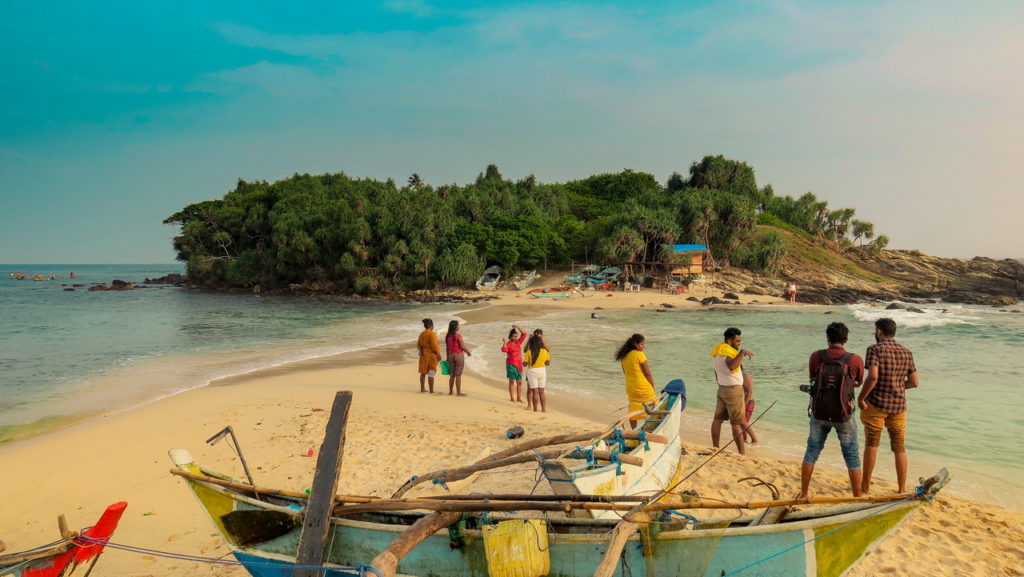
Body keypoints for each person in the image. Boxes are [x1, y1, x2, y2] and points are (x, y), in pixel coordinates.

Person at [798, 322, 865, 499]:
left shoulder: (816, 356)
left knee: (812, 452)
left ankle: (804, 493)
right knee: (851, 455)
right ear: (846, 339)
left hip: (819, 412)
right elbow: (858, 382)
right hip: (843, 415)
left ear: (827, 338)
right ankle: (857, 496)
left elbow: (812, 378)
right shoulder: (855, 359)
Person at [858, 318, 918, 494]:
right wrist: (897, 386)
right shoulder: (907, 352)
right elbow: (914, 382)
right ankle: (901, 488)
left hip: (876, 404)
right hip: (898, 406)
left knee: (872, 444)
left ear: (878, 332)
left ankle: (865, 487)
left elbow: (873, 377)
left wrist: (862, 397)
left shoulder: (874, 349)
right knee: (899, 446)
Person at [710, 327, 754, 454]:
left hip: (722, 389)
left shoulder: (718, 351)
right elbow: (732, 366)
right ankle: (742, 453)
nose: (739, 344)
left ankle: (715, 448)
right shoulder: (727, 352)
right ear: (729, 341)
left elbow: (717, 372)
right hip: (733, 391)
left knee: (717, 419)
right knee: (736, 423)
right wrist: (742, 352)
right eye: (738, 341)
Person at [615, 333, 656, 428]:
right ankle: (652, 427)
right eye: (642, 344)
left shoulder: (624, 356)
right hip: (642, 387)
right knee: (654, 404)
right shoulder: (639, 355)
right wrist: (652, 386)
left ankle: (634, 430)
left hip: (631, 387)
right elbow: (647, 373)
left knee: (633, 407)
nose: (643, 346)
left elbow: (626, 373)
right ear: (635, 344)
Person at [522, 333, 550, 412]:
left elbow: (524, 364)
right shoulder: (545, 351)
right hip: (542, 371)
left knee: (535, 392)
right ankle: (544, 409)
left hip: (532, 371)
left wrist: (526, 362)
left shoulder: (529, 352)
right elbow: (548, 363)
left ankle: (535, 410)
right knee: (542, 391)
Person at [445, 320, 472, 396]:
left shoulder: (448, 336)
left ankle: (450, 391)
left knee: (452, 374)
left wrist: (447, 357)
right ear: (456, 327)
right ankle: (458, 392)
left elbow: (447, 348)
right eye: (458, 325)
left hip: (450, 355)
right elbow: (462, 347)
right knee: (458, 375)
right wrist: (468, 352)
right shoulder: (458, 336)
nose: (459, 326)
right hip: (458, 355)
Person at [501, 325, 527, 404]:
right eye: (514, 336)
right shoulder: (508, 344)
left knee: (519, 382)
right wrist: (504, 342)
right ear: (510, 336)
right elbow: (504, 350)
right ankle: (512, 397)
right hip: (511, 364)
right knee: (512, 381)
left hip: (519, 364)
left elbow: (524, 334)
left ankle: (519, 398)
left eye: (516, 336)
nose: (515, 338)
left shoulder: (518, 342)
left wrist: (518, 327)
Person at [417, 319, 441, 393]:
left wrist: (421, 351)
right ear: (431, 325)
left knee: (423, 372)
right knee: (431, 372)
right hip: (431, 355)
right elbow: (434, 346)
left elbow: (418, 345)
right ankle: (431, 390)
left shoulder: (421, 334)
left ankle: (422, 389)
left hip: (423, 355)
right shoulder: (431, 334)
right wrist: (438, 354)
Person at [743, 373, 759, 444]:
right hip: (743, 402)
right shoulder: (737, 377)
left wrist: (744, 405)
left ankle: (754, 440)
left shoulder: (744, 376)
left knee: (743, 423)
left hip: (748, 402)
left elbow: (749, 391)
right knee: (741, 423)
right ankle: (744, 440)